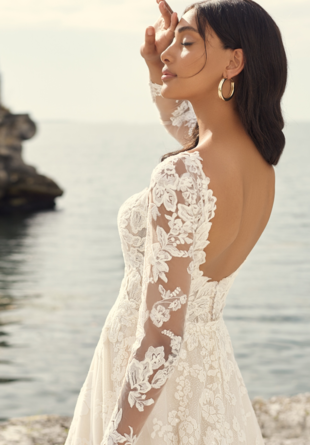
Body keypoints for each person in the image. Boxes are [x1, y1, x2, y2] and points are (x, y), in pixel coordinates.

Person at [64, 0, 288, 443]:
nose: (168, 52)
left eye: (186, 43)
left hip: (147, 393)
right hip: (211, 376)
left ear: (234, 61)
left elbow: (161, 337)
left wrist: (117, 439)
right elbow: (190, 129)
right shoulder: (260, 165)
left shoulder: (181, 174)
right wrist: (157, 67)